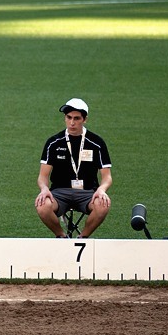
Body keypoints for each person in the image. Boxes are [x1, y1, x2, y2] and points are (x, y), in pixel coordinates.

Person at [35, 98, 112, 238]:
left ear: (85, 119)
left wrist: (102, 189)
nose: (72, 122)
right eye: (68, 117)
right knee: (42, 206)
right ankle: (61, 236)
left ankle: (83, 238)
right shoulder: (53, 142)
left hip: (87, 192)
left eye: (76, 118)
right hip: (59, 193)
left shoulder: (96, 143)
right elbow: (43, 176)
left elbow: (107, 177)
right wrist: (44, 189)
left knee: (103, 204)